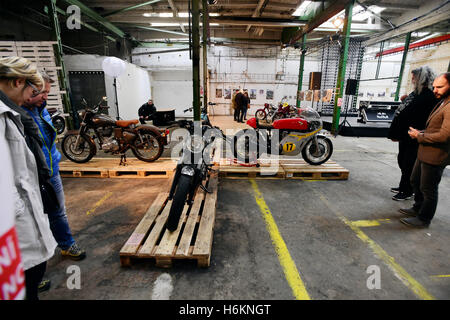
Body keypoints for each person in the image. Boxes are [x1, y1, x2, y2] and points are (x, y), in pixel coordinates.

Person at [0, 56, 57, 300]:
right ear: (17, 82)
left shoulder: (11, 113)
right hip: (12, 229)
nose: (30, 98)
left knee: (31, 280)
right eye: (32, 91)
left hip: (21, 222)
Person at [22, 71, 86, 264]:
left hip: (51, 171)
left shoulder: (41, 110)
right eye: (42, 92)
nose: (45, 97)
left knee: (58, 211)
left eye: (47, 93)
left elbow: (48, 144)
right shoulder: (17, 114)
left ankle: (66, 245)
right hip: (30, 175)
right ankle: (33, 265)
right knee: (30, 219)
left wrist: (54, 163)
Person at [399, 72, 450, 228]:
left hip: (436, 155)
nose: (435, 90)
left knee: (428, 189)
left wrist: (419, 136)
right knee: (415, 180)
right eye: (434, 86)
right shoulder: (442, 101)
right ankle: (417, 207)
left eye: (440, 87)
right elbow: (434, 128)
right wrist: (421, 132)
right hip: (425, 152)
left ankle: (423, 219)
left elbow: (445, 136)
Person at [388, 66, 438, 201]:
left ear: (421, 78)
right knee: (402, 161)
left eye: (414, 77)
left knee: (408, 163)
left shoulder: (428, 95)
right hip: (406, 135)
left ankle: (407, 190)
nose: (412, 80)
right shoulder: (416, 92)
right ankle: (404, 185)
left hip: (414, 136)